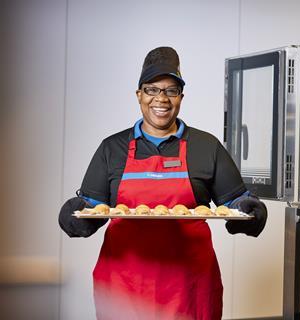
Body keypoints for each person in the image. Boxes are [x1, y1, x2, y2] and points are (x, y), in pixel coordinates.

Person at [58, 47, 267, 320]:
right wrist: (78, 215)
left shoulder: (206, 146)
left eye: (170, 90)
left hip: (189, 286)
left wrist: (250, 210)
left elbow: (235, 202)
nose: (161, 99)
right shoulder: (113, 148)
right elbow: (93, 207)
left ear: (181, 97)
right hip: (124, 287)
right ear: (139, 95)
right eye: (152, 90)